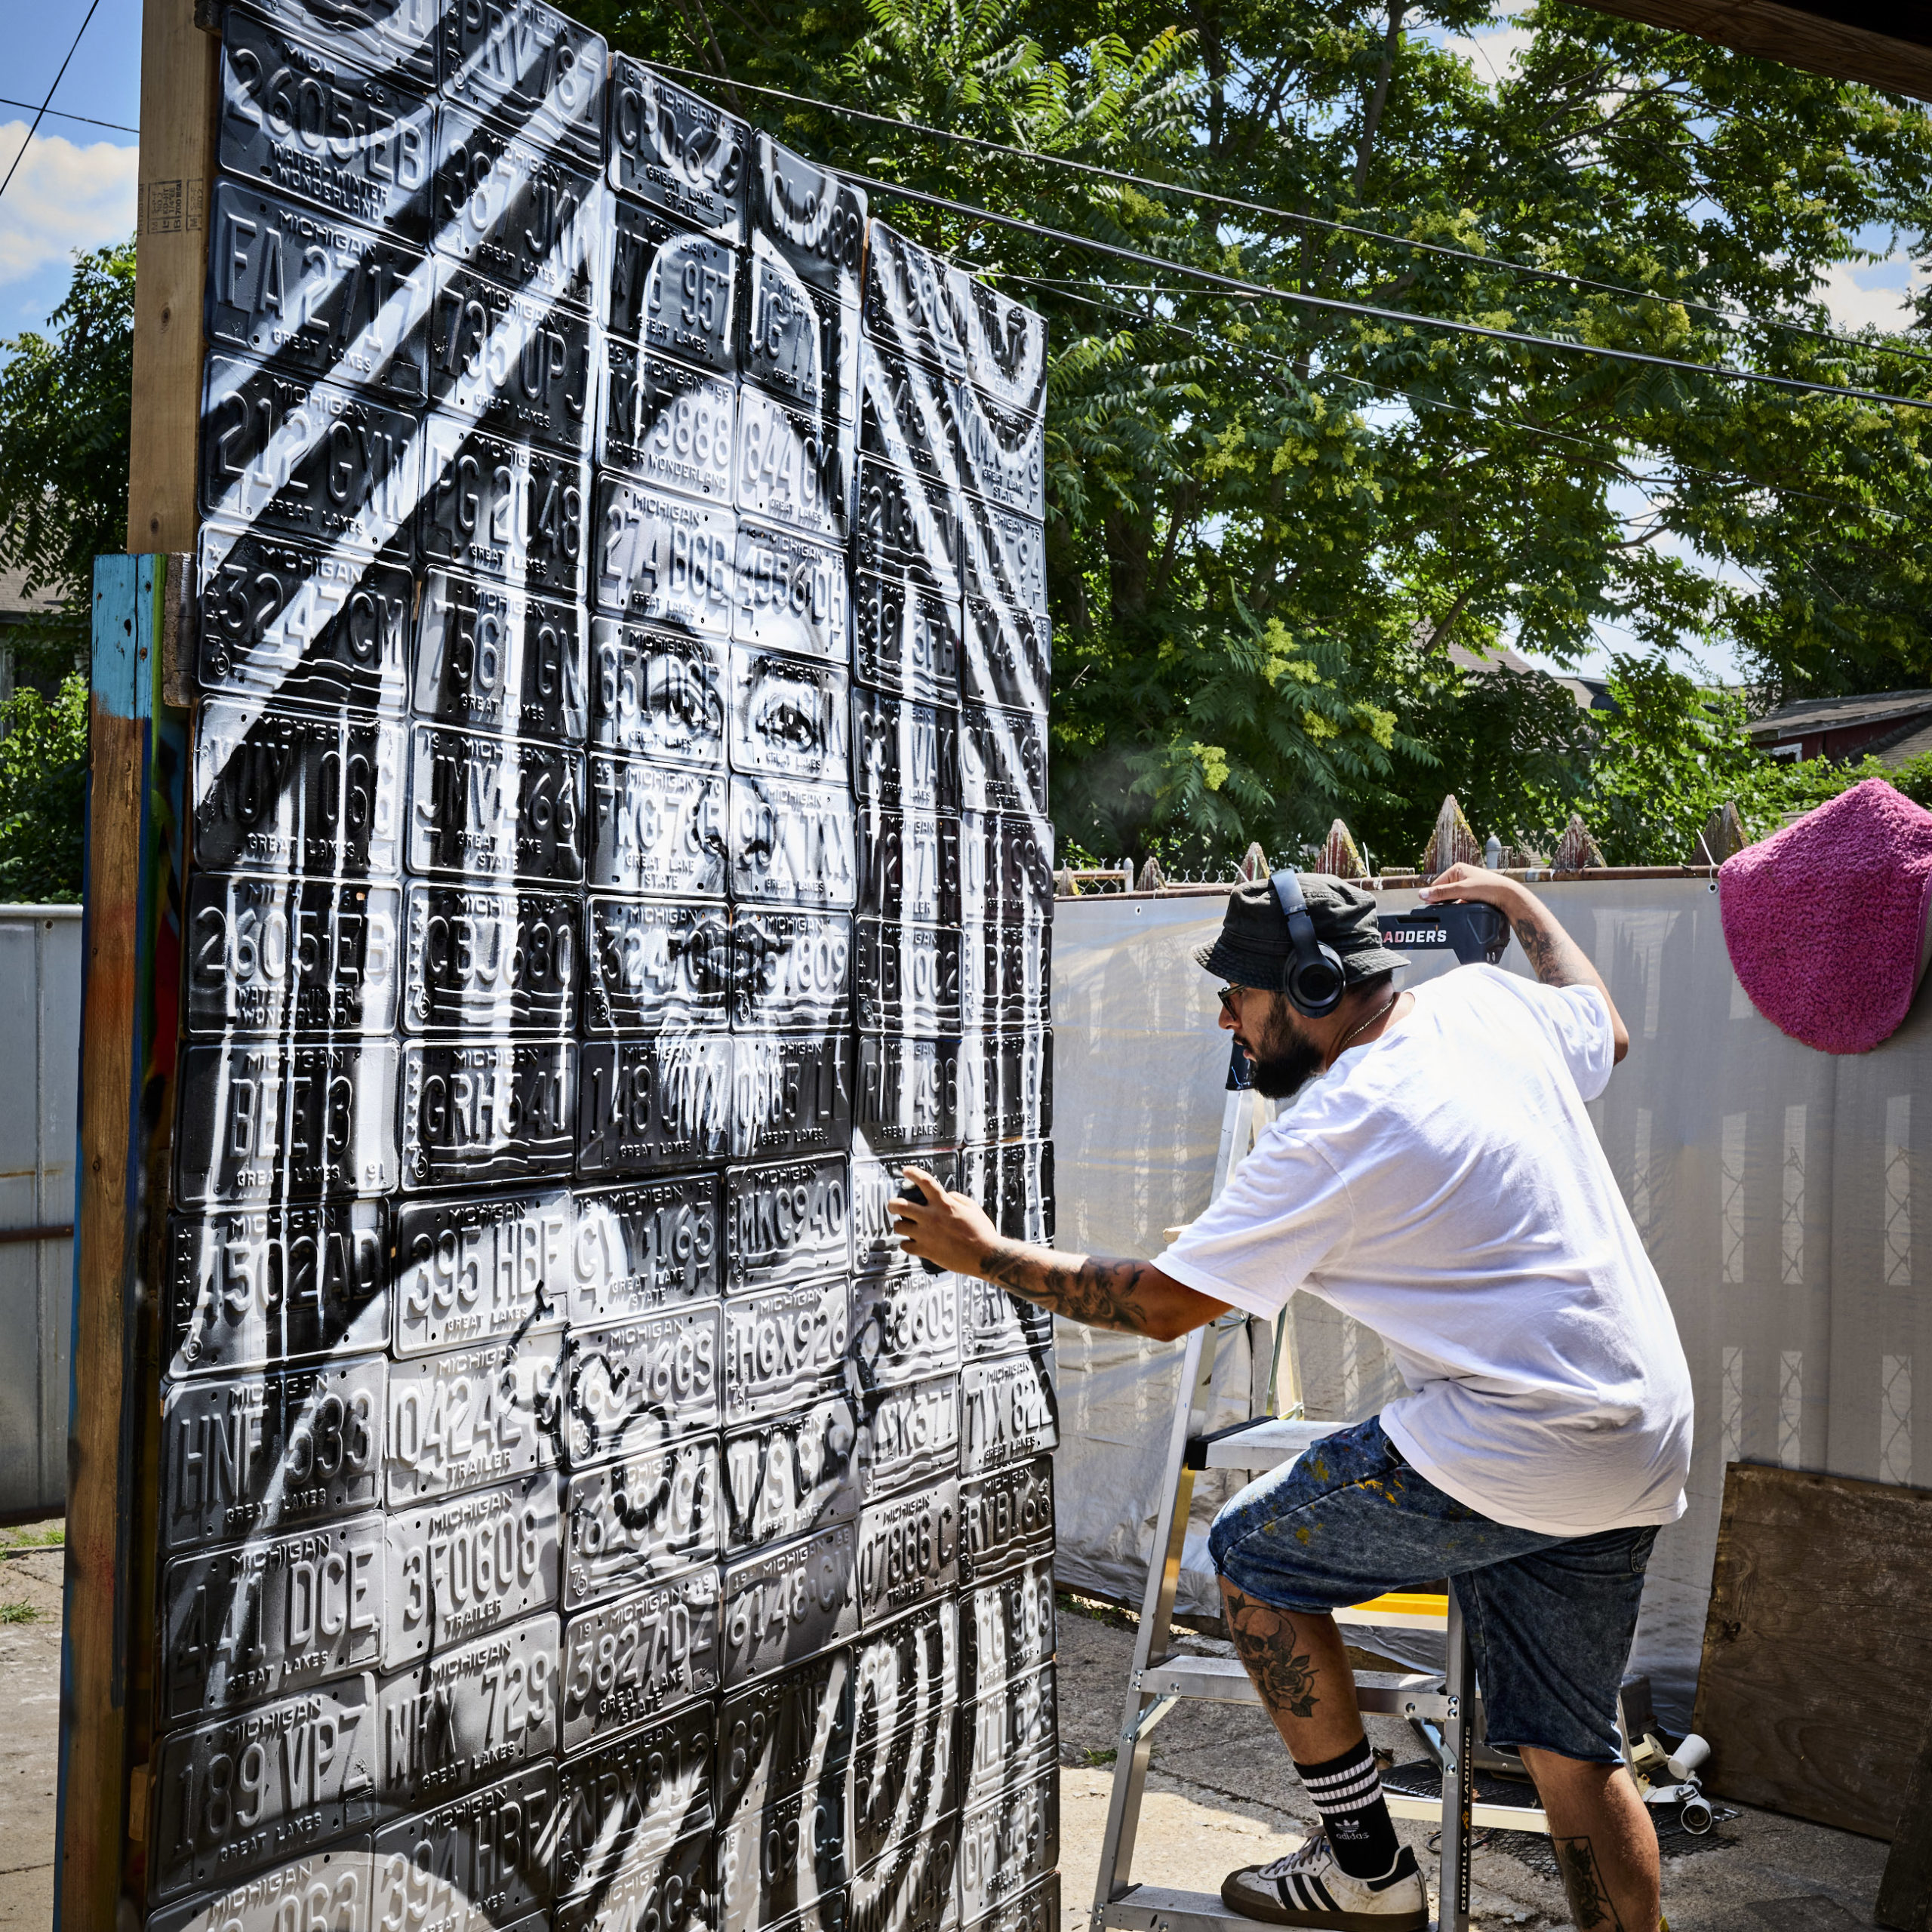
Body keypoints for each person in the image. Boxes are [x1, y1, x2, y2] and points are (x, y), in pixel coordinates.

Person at [890, 863, 1694, 1932]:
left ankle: (1367, 1871)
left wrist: (983, 1252)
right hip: (1637, 1429)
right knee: (1572, 1747)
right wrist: (1518, 903)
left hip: (1514, 1435)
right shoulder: (1485, 1003)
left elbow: (1164, 1308)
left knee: (1252, 1556)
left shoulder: (1338, 1126)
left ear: (1314, 989)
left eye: (1240, 996)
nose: (1226, 1018)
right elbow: (1607, 1025)